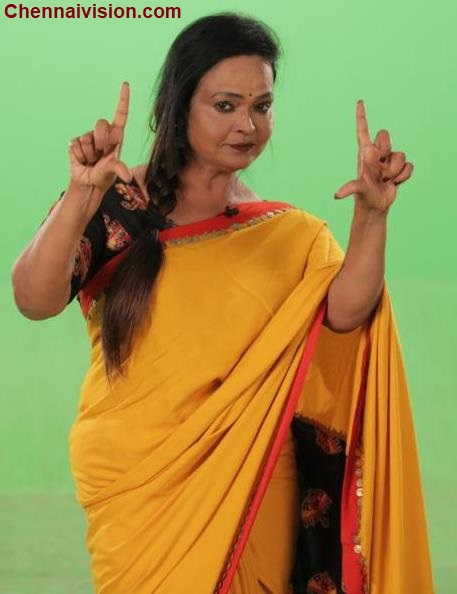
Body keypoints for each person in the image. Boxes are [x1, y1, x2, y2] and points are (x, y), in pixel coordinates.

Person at [11, 12, 434, 594]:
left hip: (254, 479)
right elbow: (34, 299)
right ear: (179, 106)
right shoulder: (118, 200)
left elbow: (344, 315)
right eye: (226, 105)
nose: (247, 125)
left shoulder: (289, 233)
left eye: (262, 106)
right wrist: (80, 197)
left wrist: (371, 216)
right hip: (136, 486)